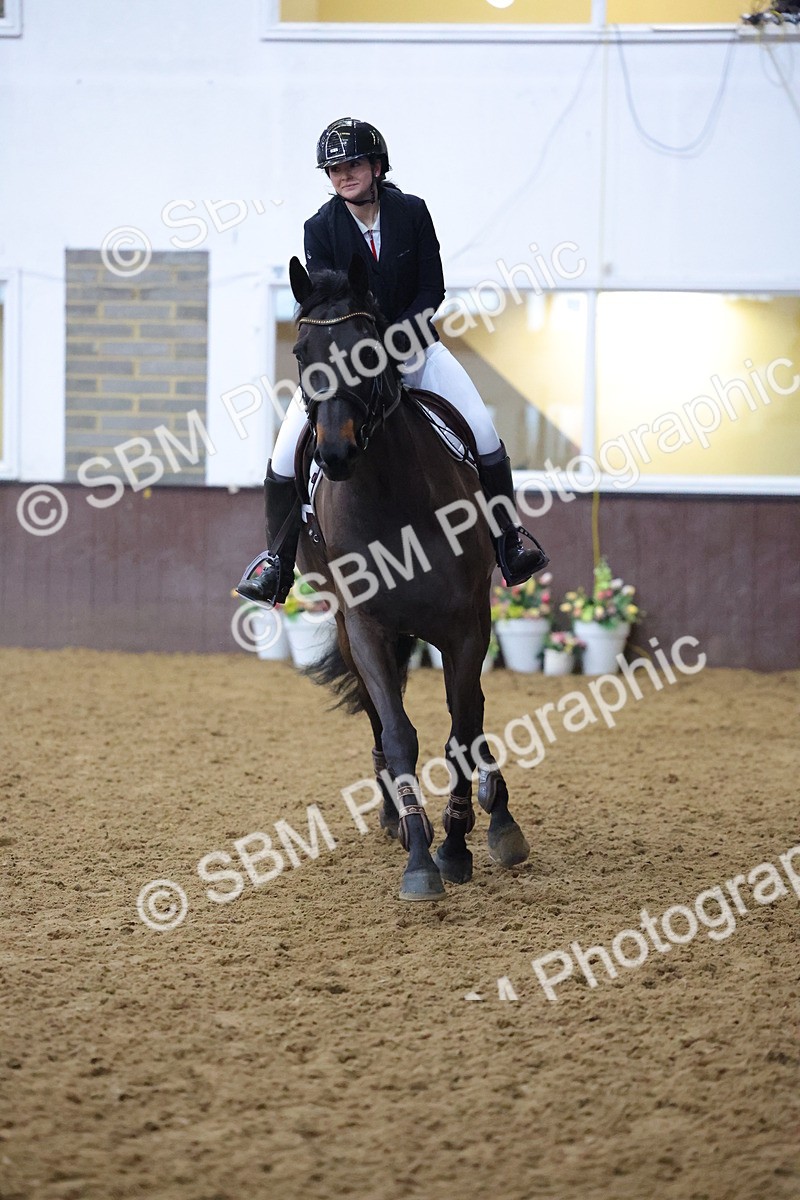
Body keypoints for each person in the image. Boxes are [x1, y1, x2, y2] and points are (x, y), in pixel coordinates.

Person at [237, 116, 548, 606]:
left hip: (417, 351)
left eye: (352, 164)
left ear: (377, 166)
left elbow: (432, 287)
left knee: (484, 434)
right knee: (282, 455)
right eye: (333, 169)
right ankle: (277, 562)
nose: (343, 175)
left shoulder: (412, 212)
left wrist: (398, 340)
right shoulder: (319, 228)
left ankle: (509, 541)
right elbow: (328, 299)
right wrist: (360, 353)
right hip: (347, 364)